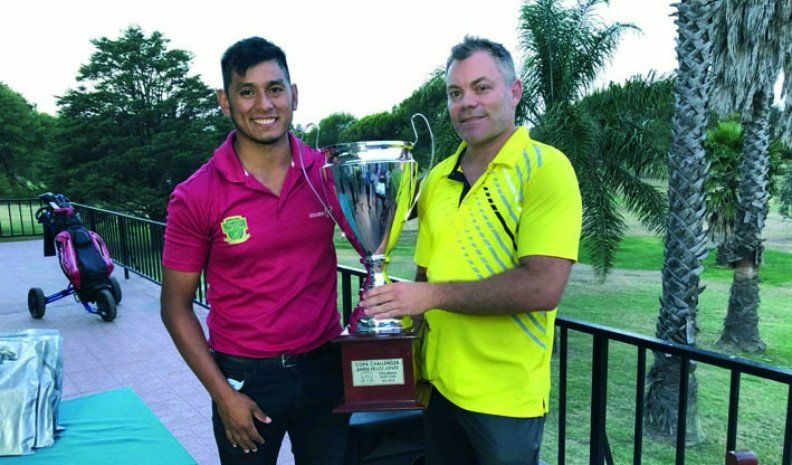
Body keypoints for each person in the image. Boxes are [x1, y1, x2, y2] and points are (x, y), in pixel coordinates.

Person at [361, 36, 582, 465]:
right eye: (455, 93)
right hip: (438, 386)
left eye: (482, 88)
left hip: (504, 399)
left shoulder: (546, 168)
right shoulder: (439, 178)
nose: (467, 103)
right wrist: (391, 339)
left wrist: (432, 296)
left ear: (514, 92)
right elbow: (425, 274)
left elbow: (542, 287)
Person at [160, 37, 349, 465]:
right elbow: (175, 308)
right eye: (247, 91)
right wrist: (223, 394)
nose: (264, 104)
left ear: (294, 95)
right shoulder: (196, 195)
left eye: (275, 89)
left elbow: (381, 227)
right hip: (246, 379)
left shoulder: (327, 173)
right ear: (225, 102)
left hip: (326, 369)